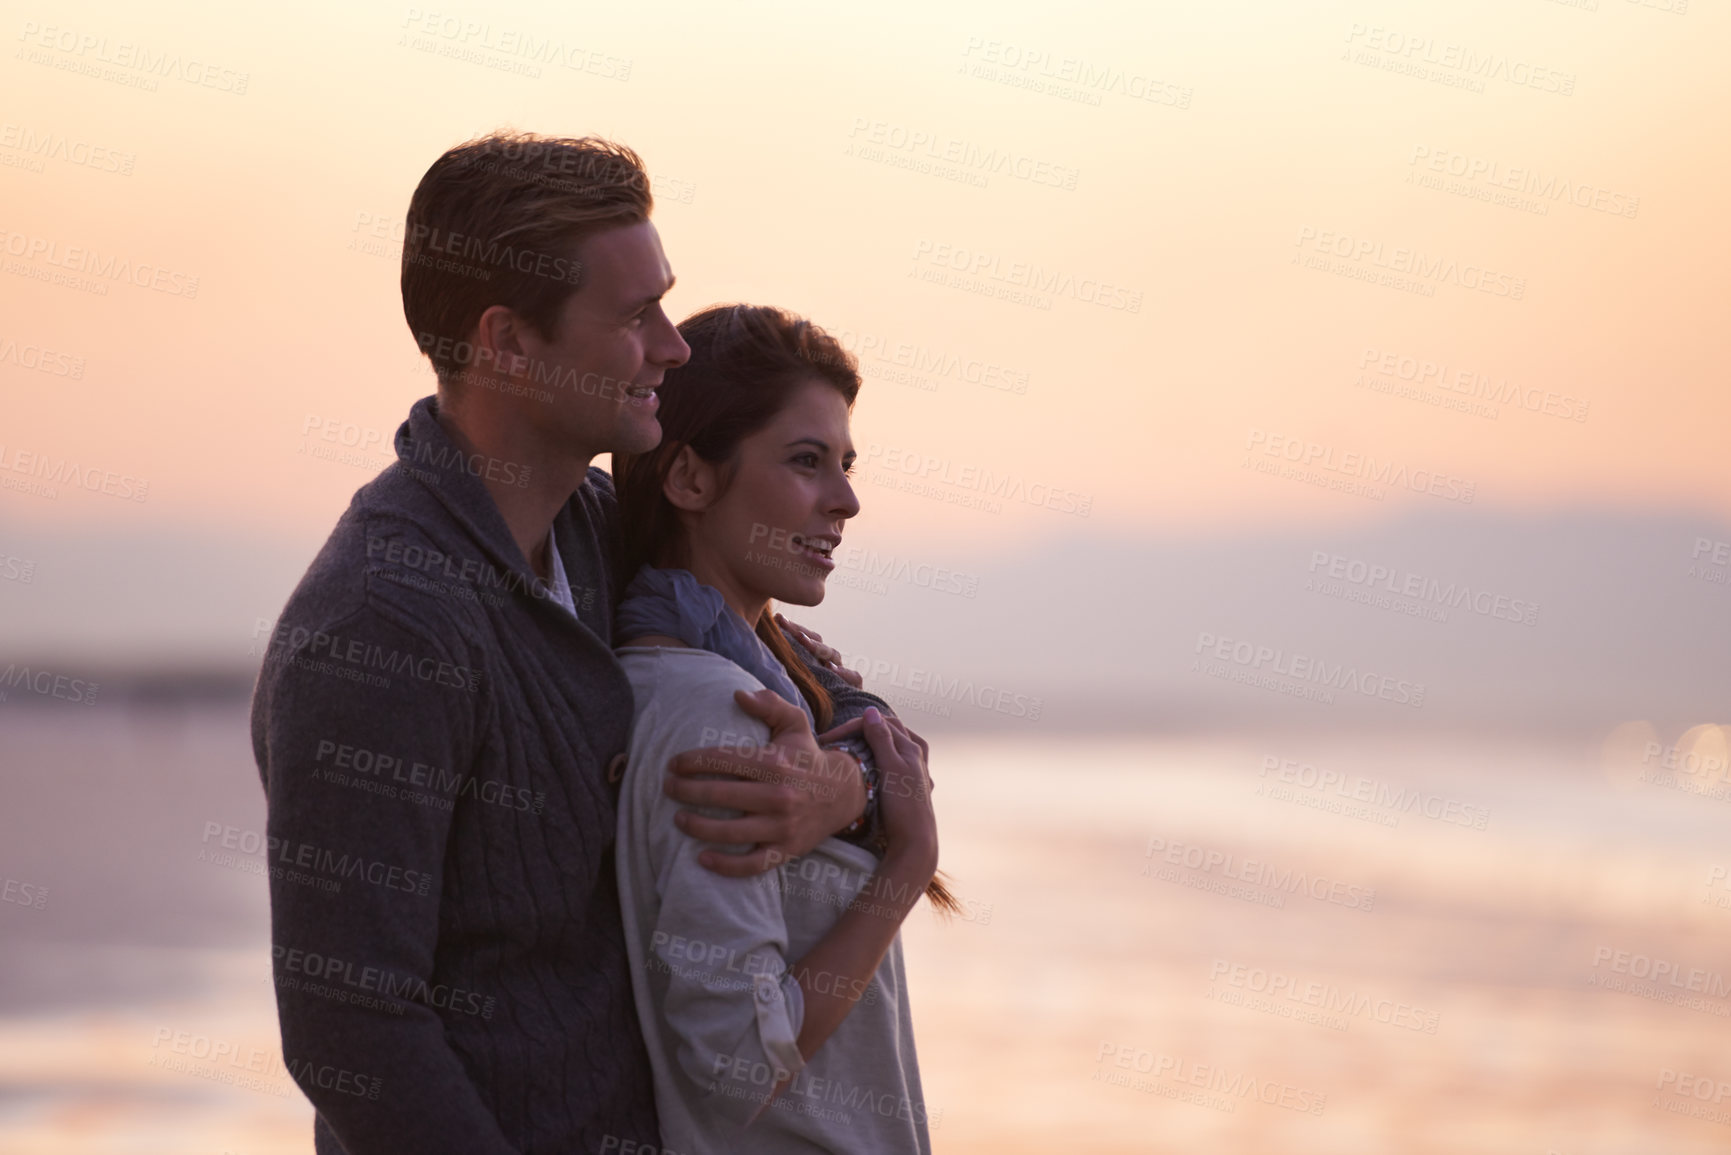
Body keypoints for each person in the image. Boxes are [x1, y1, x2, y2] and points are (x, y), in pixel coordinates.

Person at [249, 133, 905, 1155]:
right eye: (634, 317)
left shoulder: (604, 534)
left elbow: (839, 702)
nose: (671, 348)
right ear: (508, 342)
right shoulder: (381, 622)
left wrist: (846, 789)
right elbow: (353, 1026)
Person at [611, 304, 955, 1153]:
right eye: (806, 462)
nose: (846, 499)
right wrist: (905, 865)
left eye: (843, 463)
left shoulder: (769, 684)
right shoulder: (720, 709)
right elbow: (734, 1064)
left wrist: (864, 791)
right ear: (689, 479)